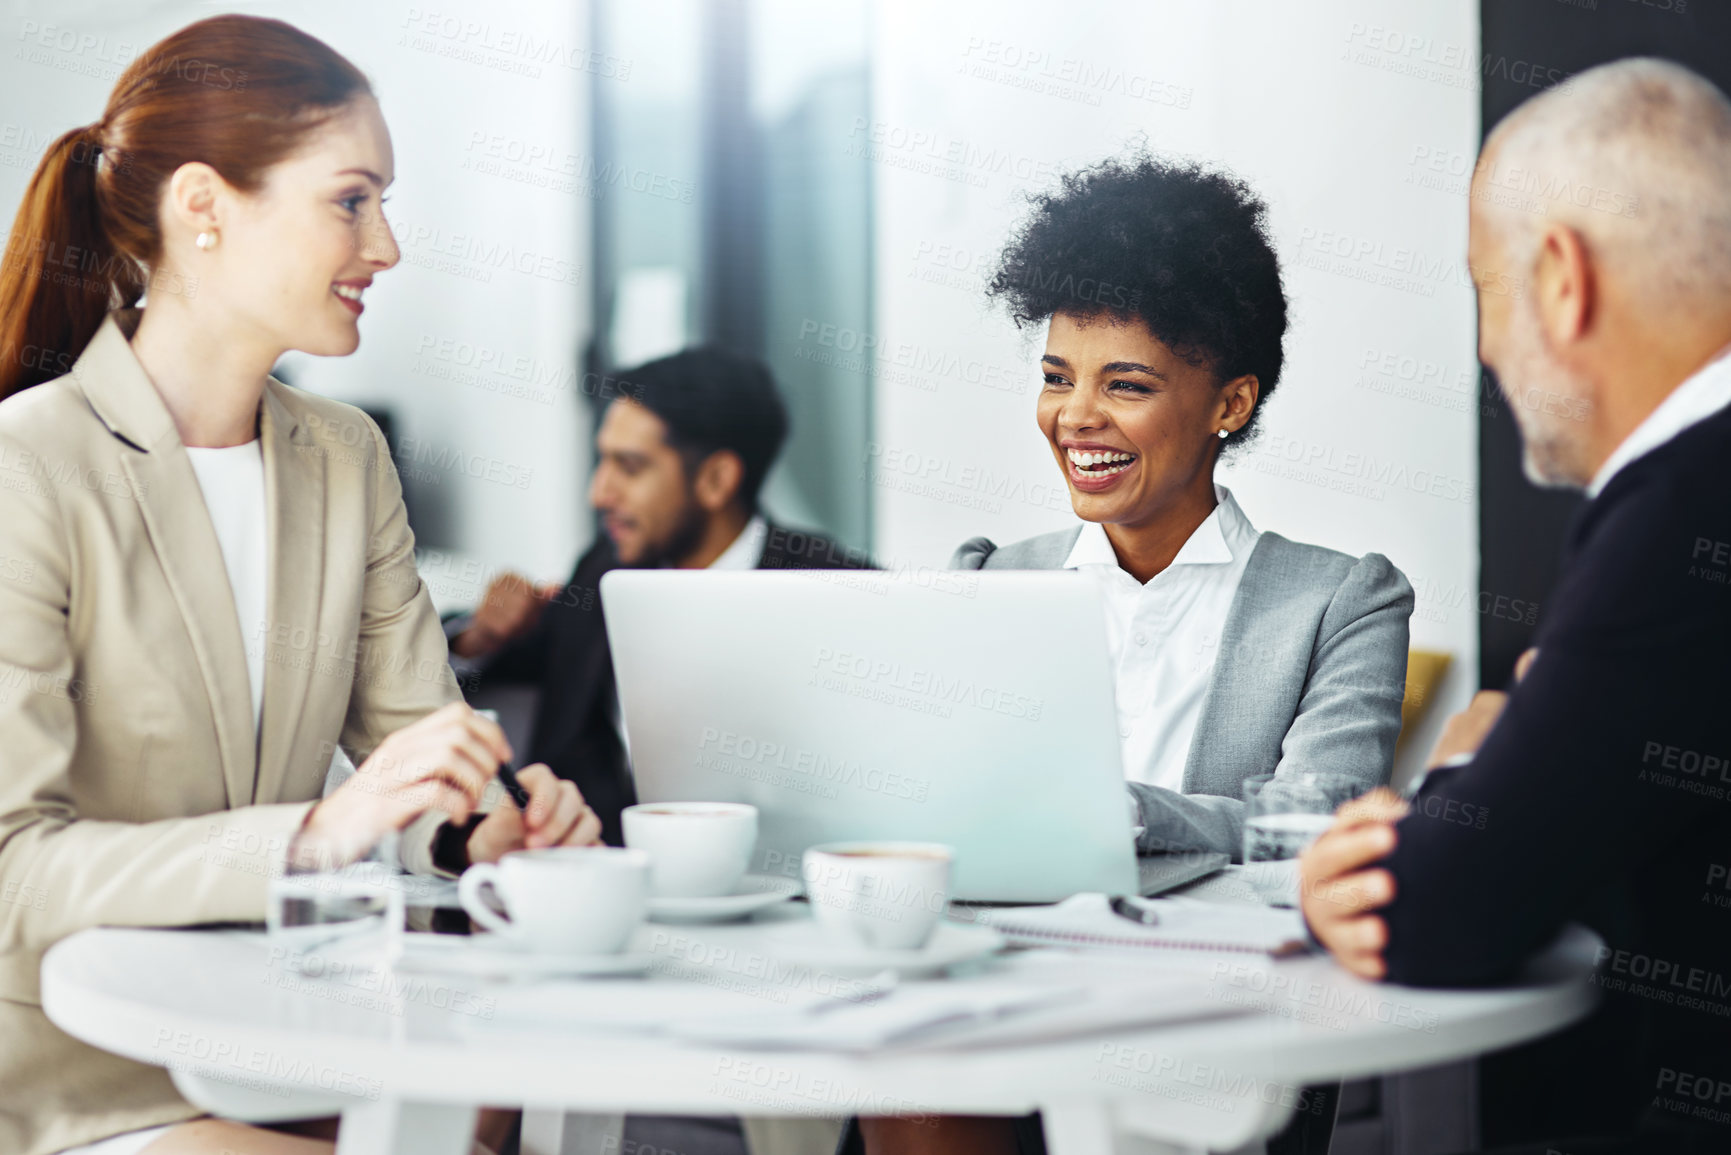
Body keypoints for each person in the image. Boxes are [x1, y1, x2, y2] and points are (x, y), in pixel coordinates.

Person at [0, 17, 599, 1155]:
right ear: (203, 206)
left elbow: (424, 747)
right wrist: (319, 831)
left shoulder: (344, 458)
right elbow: (11, 871)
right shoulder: (27, 466)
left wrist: (490, 828)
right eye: (351, 200)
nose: (387, 246)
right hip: (80, 1078)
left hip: (290, 1033)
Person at [854, 154, 1414, 1155]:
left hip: (1209, 1021)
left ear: (1229, 404)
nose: (1076, 419)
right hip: (993, 998)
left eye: (1127, 385)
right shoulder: (987, 579)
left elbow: (1312, 831)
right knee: (912, 1066)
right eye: (1057, 378)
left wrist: (1123, 812)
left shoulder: (1339, 600)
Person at [1301, 58, 1731, 1154]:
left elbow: (1434, 912)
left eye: (1481, 289)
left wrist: (1463, 766)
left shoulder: (1684, 506)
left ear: (1558, 278)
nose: (1486, 348)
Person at [449, 348, 873, 846]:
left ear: (715, 480)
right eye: (602, 461)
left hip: (783, 883)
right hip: (597, 874)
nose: (599, 493)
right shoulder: (602, 571)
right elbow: (506, 657)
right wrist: (479, 635)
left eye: (628, 467)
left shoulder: (841, 592)